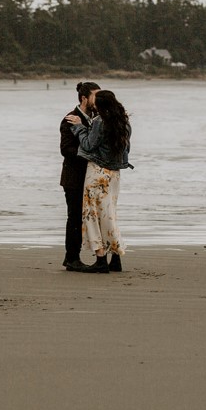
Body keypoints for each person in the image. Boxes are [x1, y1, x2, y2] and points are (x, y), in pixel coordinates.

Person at [65, 89, 133, 274]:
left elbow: (88, 144)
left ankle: (101, 258)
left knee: (92, 216)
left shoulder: (100, 122)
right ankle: (116, 257)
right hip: (114, 175)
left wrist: (79, 127)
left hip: (97, 173)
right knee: (109, 214)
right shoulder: (124, 122)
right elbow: (125, 149)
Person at [59, 81, 100, 271]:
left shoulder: (97, 118)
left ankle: (101, 255)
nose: (97, 99)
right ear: (84, 98)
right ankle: (72, 258)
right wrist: (90, 154)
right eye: (95, 95)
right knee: (75, 218)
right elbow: (66, 149)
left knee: (94, 217)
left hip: (93, 177)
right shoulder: (70, 118)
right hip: (74, 177)